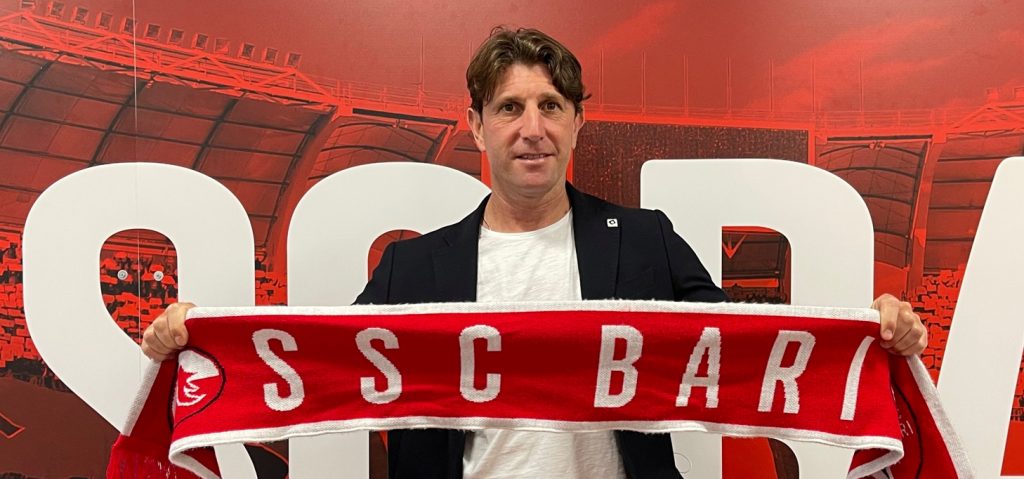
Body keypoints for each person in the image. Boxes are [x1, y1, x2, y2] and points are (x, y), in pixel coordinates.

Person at [142, 27, 928, 479]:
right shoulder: (414, 270)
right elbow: (320, 369)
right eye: (510, 107)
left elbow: (748, 350)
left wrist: (868, 331)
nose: (532, 128)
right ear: (477, 124)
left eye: (551, 106)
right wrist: (206, 342)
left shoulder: (645, 241)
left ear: (578, 122)